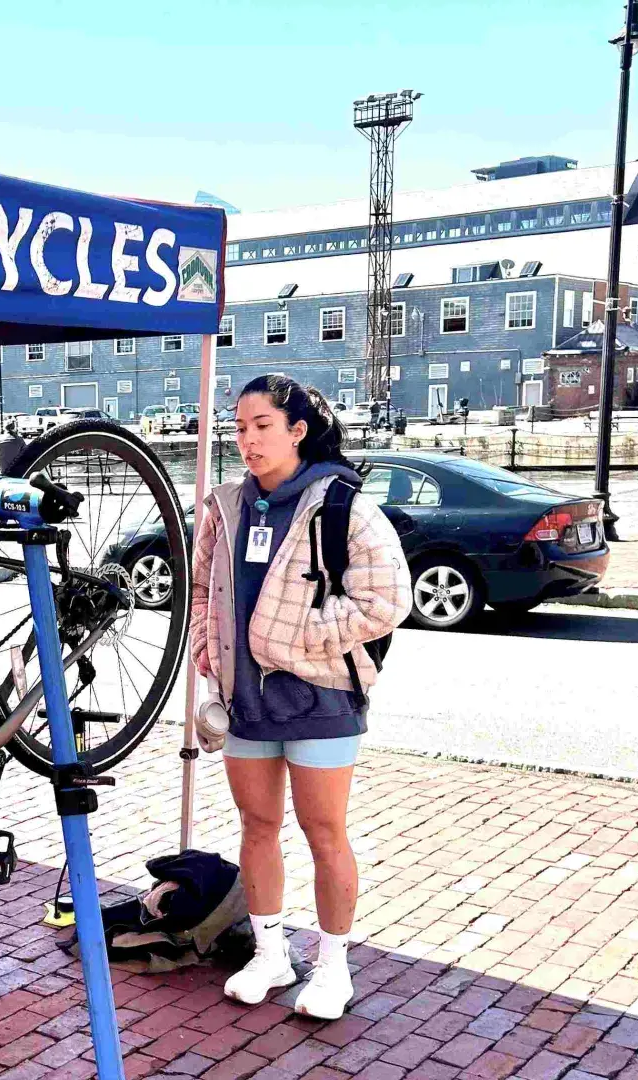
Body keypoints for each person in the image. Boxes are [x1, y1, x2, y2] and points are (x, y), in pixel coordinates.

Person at [188, 375, 410, 1020]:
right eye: (239, 427)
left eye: (261, 426)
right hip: (244, 704)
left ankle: (334, 965)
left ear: (297, 431)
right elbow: (202, 588)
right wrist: (209, 647)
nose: (247, 440)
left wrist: (295, 637)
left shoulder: (342, 505)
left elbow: (386, 602)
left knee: (324, 832)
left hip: (322, 700)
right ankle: (270, 952)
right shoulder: (225, 507)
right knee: (257, 828)